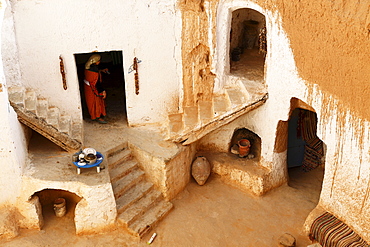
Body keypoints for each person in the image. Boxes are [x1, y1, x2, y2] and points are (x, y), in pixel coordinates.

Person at [84, 54, 108, 124]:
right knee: (96, 103)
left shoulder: (89, 67)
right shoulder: (93, 70)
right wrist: (103, 91)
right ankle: (98, 116)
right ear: (95, 61)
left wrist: (101, 71)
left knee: (91, 103)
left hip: (88, 88)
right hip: (93, 89)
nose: (99, 62)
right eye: (99, 60)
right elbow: (96, 82)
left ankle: (95, 115)